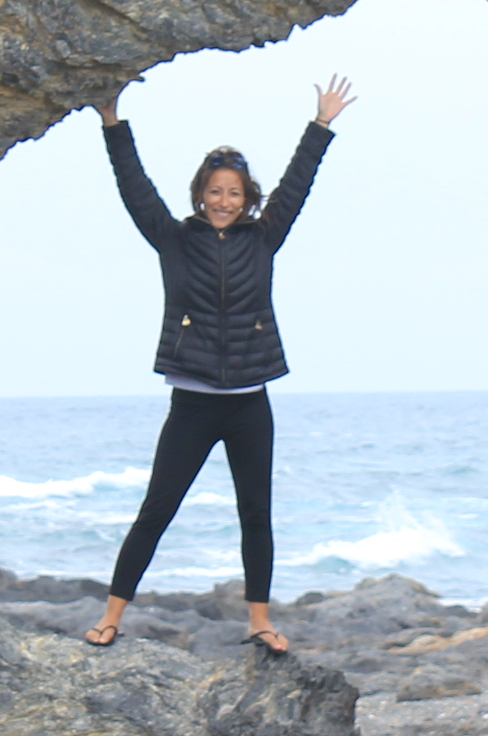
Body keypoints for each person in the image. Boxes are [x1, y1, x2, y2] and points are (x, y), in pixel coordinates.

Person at [82, 73, 359, 657]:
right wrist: (112, 123)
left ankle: (259, 621)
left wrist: (320, 125)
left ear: (247, 197)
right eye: (215, 191)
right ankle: (110, 617)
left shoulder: (265, 237)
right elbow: (135, 188)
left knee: (256, 513)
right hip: (192, 404)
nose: (224, 201)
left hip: (250, 403)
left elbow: (297, 185)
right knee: (156, 511)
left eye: (234, 193)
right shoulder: (173, 240)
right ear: (200, 195)